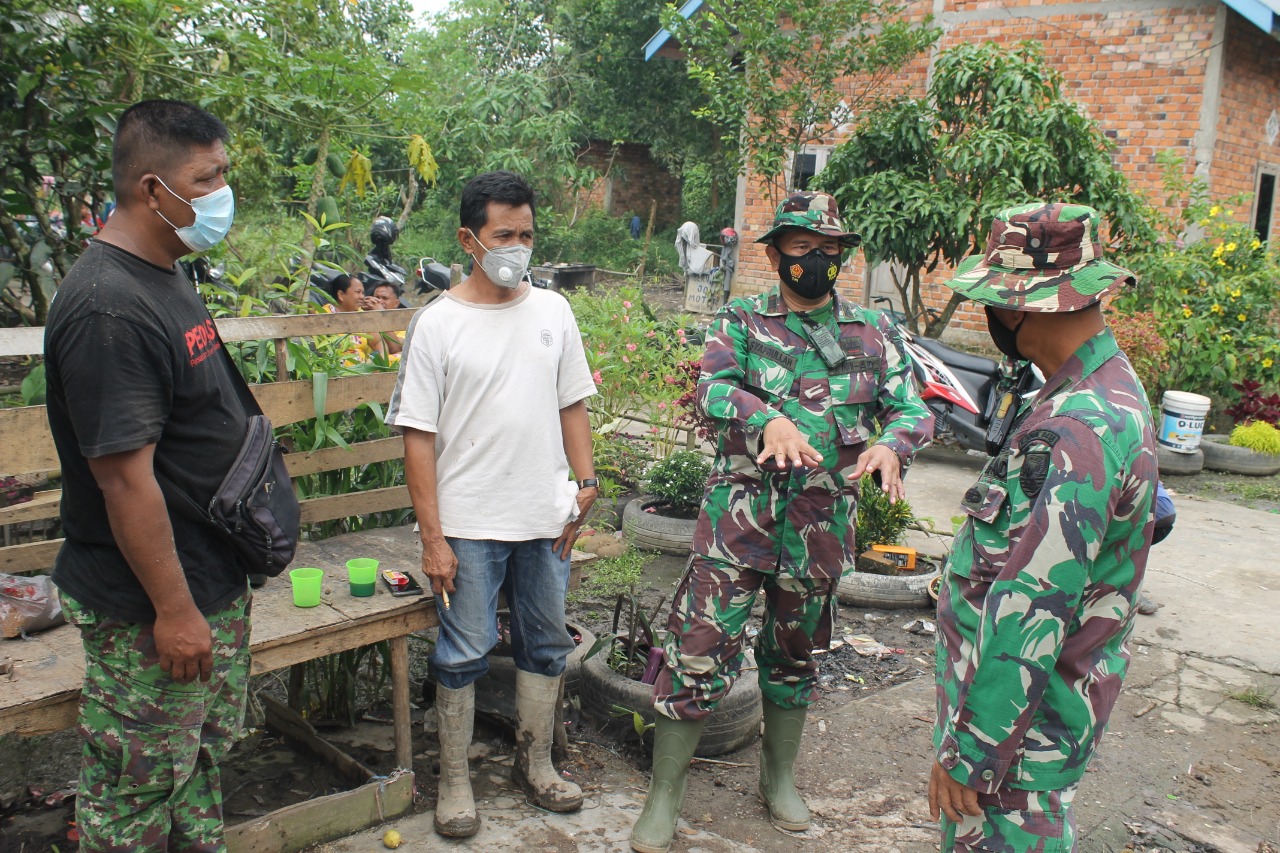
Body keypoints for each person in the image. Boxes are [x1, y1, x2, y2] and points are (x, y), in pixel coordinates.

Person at [630, 191, 934, 853]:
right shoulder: (742, 318)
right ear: (775, 254)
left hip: (819, 529)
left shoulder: (871, 333)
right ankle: (665, 795)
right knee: (697, 654)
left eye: (827, 249)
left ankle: (778, 777)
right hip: (738, 526)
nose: (816, 259)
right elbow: (711, 384)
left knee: (795, 656)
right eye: (802, 247)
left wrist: (892, 444)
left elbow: (915, 407)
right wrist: (764, 415)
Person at [43, 99, 252, 852]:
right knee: (134, 786)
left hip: (206, 581)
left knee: (194, 763)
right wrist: (174, 609)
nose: (223, 192)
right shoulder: (109, 307)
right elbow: (124, 480)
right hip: (150, 609)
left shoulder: (163, 271)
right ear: (152, 189)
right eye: (210, 177)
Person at [928, 202, 1158, 853]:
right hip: (1033, 723)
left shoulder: (1077, 428)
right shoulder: (1106, 387)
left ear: (1017, 307)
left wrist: (969, 753)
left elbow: (1034, 604)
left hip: (1012, 745)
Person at [386, 170, 598, 838]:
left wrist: (585, 486)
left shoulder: (553, 313)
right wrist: (432, 538)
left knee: (545, 644)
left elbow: (572, 404)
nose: (517, 247)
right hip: (469, 522)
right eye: (504, 235)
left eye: (527, 234)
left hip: (545, 516)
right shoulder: (438, 324)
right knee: (462, 649)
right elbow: (418, 437)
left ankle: (534, 763)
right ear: (468, 239)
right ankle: (454, 779)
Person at [322, 273, 383, 362]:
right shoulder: (325, 314)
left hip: (364, 369)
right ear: (341, 295)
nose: (362, 297)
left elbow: (378, 343)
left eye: (363, 293)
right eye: (358, 292)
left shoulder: (361, 315)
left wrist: (379, 363)